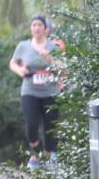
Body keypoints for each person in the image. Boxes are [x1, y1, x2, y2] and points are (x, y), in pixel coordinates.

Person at [9, 14, 63, 169]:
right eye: (34, 25)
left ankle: (50, 156)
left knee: (50, 127)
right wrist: (20, 70)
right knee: (31, 125)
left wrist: (49, 58)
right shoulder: (23, 46)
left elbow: (64, 69)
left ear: (46, 29)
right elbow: (13, 62)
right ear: (31, 29)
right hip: (29, 90)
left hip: (51, 91)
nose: (37, 28)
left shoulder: (54, 46)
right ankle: (36, 153)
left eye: (40, 25)